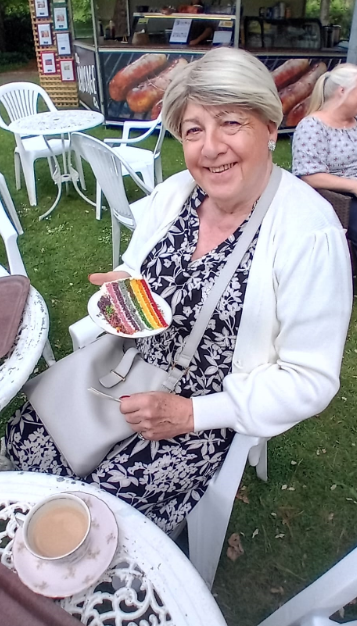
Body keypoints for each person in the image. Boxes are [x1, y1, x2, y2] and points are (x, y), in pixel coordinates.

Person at [5, 48, 352, 535]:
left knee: (100, 516)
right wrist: (120, 289)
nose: (210, 148)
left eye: (231, 123)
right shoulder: (175, 194)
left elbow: (310, 379)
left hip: (207, 412)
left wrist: (192, 414)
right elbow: (134, 270)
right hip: (124, 367)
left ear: (271, 129)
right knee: (27, 441)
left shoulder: (308, 233)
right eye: (193, 130)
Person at [292, 63, 357, 254]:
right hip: (339, 197)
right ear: (342, 91)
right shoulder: (312, 126)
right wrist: (353, 185)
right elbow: (309, 176)